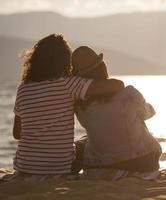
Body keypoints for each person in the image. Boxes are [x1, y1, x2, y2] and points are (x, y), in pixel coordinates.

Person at [12, 34, 124, 176]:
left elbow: (17, 133)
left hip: (24, 168)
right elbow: (117, 85)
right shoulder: (68, 83)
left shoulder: (23, 88)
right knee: (87, 141)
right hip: (61, 168)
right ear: (65, 60)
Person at [71, 46, 161, 179]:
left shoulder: (79, 106)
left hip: (101, 166)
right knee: (138, 119)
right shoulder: (128, 94)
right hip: (142, 163)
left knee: (85, 140)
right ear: (102, 67)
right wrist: (150, 108)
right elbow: (147, 113)